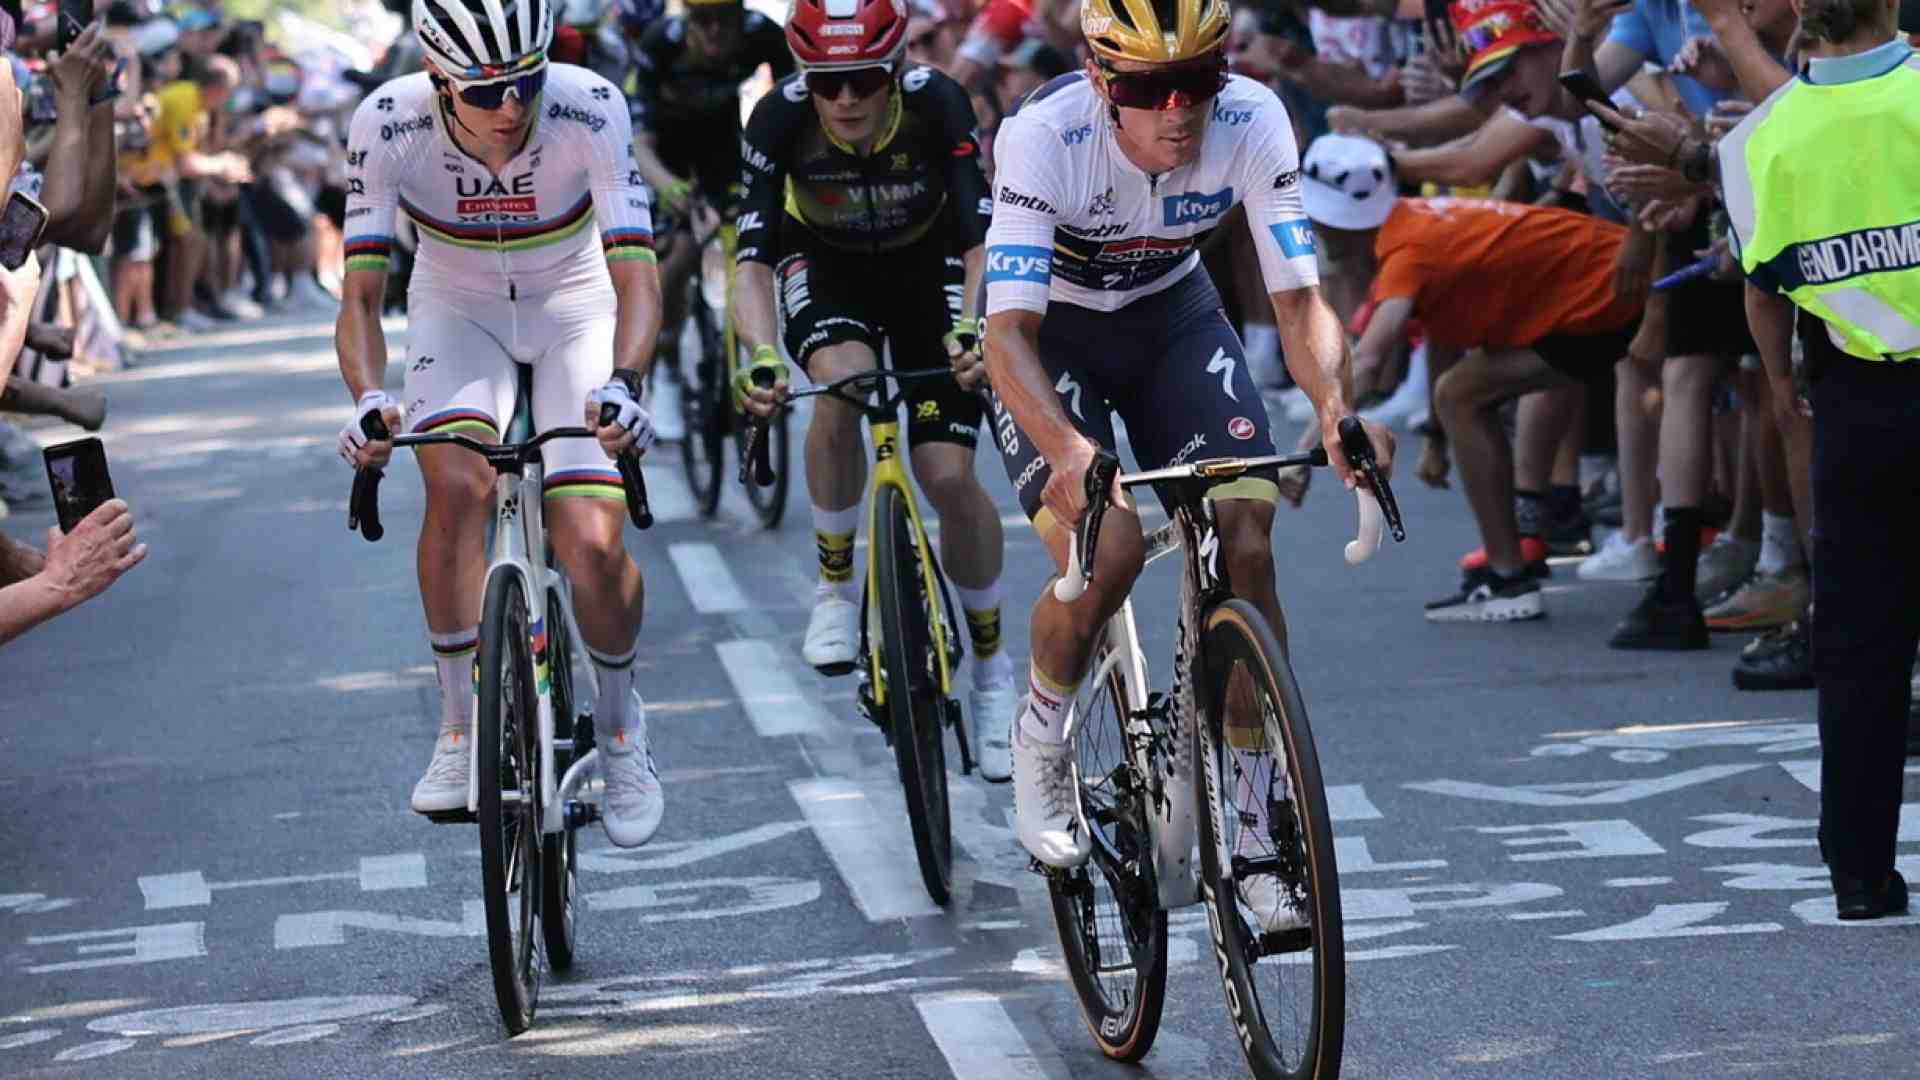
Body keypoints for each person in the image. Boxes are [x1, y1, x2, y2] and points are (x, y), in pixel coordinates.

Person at [979, 0, 1392, 930]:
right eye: (1145, 89)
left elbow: (1298, 298)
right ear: (1099, 80)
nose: (1177, 110)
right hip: (1056, 339)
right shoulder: (1043, 136)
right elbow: (1006, 334)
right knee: (1111, 548)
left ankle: (1252, 825)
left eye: (1197, 81)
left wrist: (1336, 411)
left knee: (1248, 536)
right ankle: (1043, 730)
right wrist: (1071, 451)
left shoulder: (1253, 117)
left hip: (1173, 315)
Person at [334, 0, 667, 848]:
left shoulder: (590, 104)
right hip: (457, 306)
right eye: (485, 94)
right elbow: (362, 296)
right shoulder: (386, 121)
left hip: (575, 302)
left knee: (591, 533)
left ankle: (623, 731)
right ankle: (456, 729)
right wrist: (369, 397)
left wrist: (627, 382)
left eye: (527, 80)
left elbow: (636, 275)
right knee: (455, 481)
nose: (512, 107)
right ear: (438, 81)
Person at [733, 0, 1019, 781]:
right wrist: (757, 356)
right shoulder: (776, 122)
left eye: (864, 80)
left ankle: (995, 675)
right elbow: (752, 260)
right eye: (827, 84)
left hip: (929, 274)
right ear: (804, 81)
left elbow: (978, 238)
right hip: (826, 268)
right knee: (843, 384)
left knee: (948, 476)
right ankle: (834, 585)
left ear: (894, 73)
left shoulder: (938, 104)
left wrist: (977, 331)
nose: (847, 99)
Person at [1710, 0, 1920, 919]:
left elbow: (1764, 295)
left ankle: (1861, 875)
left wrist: (1782, 375)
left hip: (1855, 404)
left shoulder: (1761, 139)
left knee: (1861, 646)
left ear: (1798, 11)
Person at [1298, 135, 1642, 622]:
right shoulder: (1412, 218)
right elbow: (1444, 333)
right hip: (1603, 279)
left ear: (1336, 221)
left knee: (1459, 394)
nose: (1311, 227)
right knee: (1458, 393)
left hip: (1612, 290)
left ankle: (1508, 577)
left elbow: (1371, 360)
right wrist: (1437, 437)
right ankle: (1510, 564)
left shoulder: (1406, 252)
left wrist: (1307, 448)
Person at [626, 0, 790, 432]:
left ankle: (753, 352)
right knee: (677, 256)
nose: (715, 30)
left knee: (752, 242)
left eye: (726, 19)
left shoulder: (762, 34)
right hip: (664, 155)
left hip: (722, 145)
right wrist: (669, 188)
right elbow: (637, 138)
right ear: (686, 20)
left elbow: (798, 107)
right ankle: (665, 367)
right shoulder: (660, 43)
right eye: (703, 20)